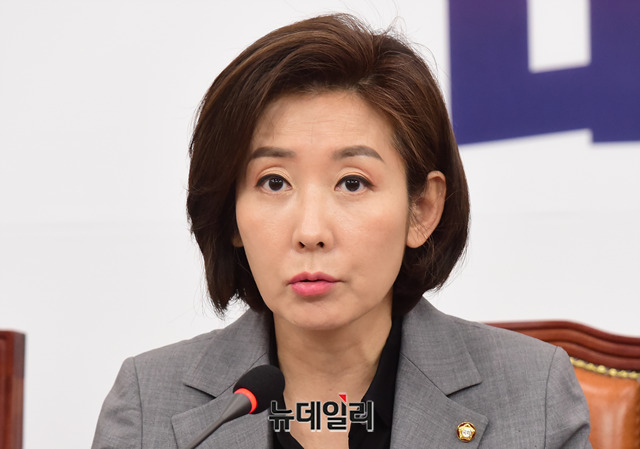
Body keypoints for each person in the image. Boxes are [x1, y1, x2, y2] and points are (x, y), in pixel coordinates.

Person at [92, 14, 591, 449]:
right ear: (231, 215)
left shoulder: (533, 393)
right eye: (274, 182)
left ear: (421, 209)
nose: (311, 232)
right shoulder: (149, 404)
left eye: (352, 182)